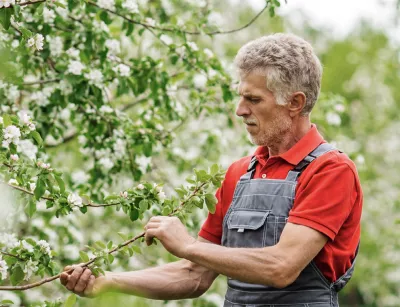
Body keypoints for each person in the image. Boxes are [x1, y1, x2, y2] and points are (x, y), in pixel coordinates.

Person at [60, 33, 362, 307]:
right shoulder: (239, 173)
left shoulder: (331, 171)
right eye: (241, 96)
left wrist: (188, 246)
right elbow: (195, 274)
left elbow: (281, 266)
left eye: (254, 99)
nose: (240, 109)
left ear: (295, 103)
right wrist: (110, 282)